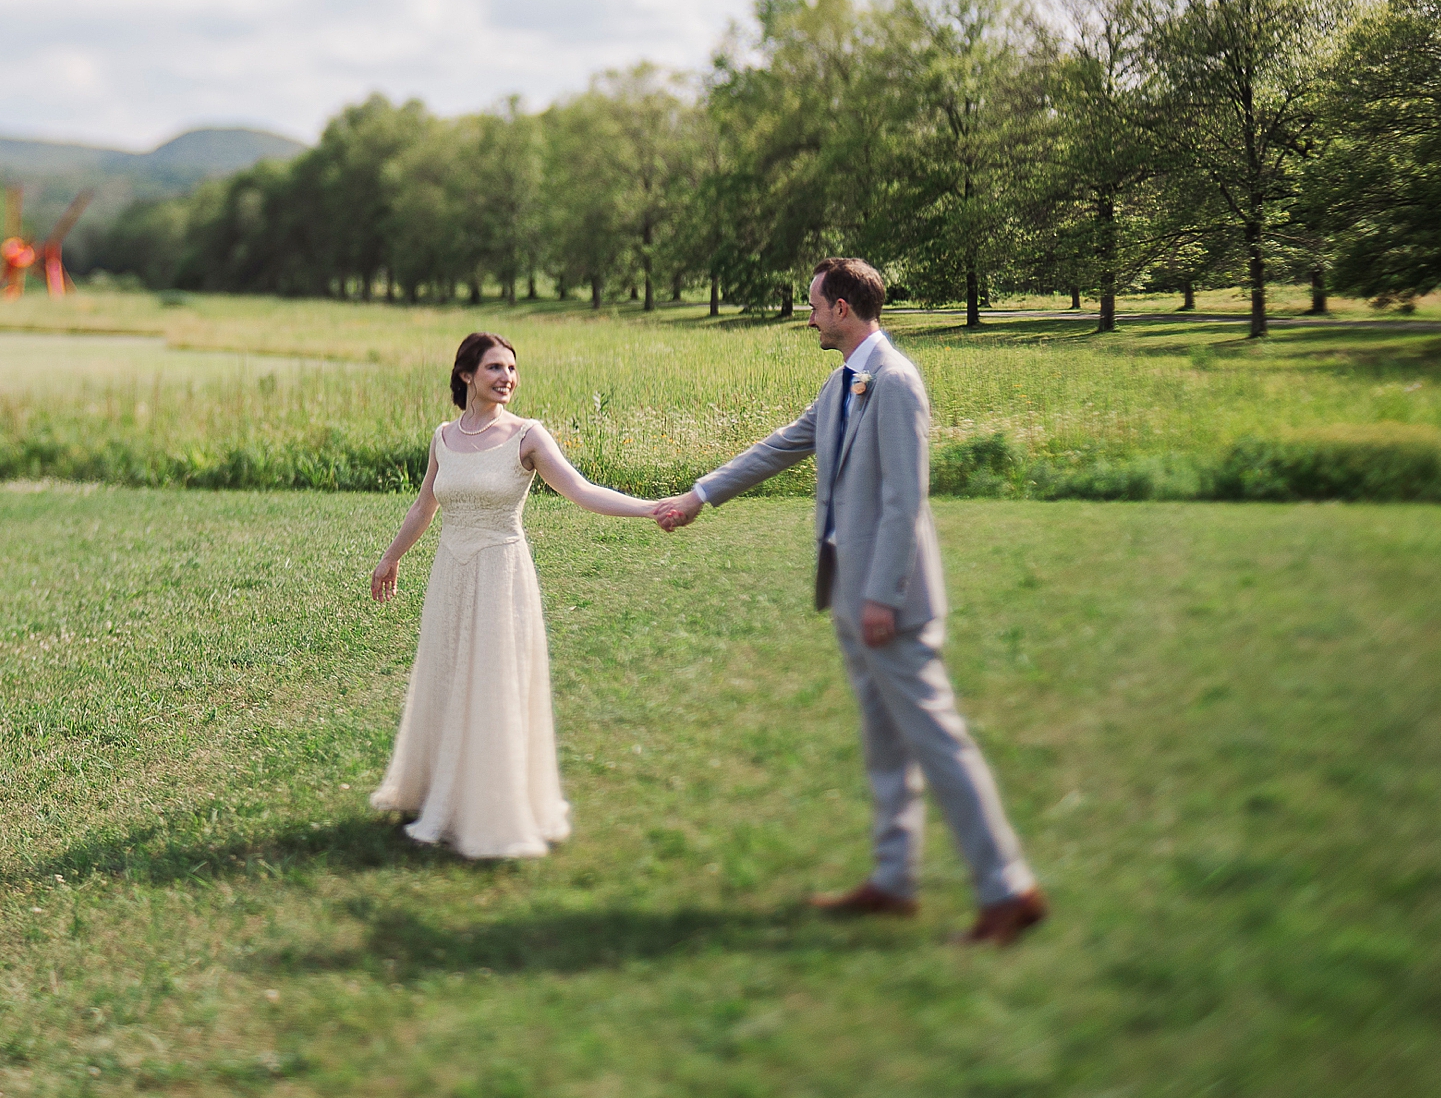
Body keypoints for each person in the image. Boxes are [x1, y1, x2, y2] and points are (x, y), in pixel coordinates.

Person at [652, 258, 1048, 945]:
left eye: (812, 306)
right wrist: (699, 495)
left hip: (885, 602)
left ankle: (1008, 889)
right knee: (886, 744)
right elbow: (781, 446)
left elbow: (905, 500)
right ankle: (894, 881)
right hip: (849, 593)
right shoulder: (844, 382)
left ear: (840, 308)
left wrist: (882, 596)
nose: (807, 318)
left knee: (938, 743)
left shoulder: (894, 382)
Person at [369, 332, 657, 859]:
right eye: (496, 368)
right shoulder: (443, 437)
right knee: (448, 676)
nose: (508, 378)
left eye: (512, 369)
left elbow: (581, 490)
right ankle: (438, 791)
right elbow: (422, 509)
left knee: (493, 683)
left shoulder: (526, 435)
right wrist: (391, 557)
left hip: (501, 574)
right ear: (466, 375)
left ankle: (493, 808)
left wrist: (649, 507)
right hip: (450, 576)